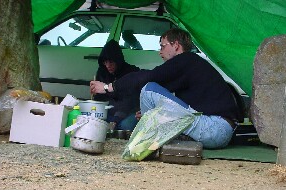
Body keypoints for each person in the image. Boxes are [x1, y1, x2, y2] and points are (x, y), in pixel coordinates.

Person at [90, 28, 241, 149]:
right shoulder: (190, 66)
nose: (160, 51)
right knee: (152, 93)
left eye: (163, 46)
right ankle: (152, 136)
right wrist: (149, 113)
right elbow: (174, 103)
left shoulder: (186, 59)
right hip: (218, 130)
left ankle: (146, 143)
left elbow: (147, 78)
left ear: (176, 45)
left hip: (214, 128)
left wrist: (108, 87)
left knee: (149, 88)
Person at [93, 39, 140, 130]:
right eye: (105, 62)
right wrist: (96, 93)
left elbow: (129, 102)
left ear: (118, 60)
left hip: (127, 112)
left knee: (125, 126)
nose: (108, 66)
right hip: (108, 112)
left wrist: (115, 119)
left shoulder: (130, 72)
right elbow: (99, 100)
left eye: (111, 62)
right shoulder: (102, 72)